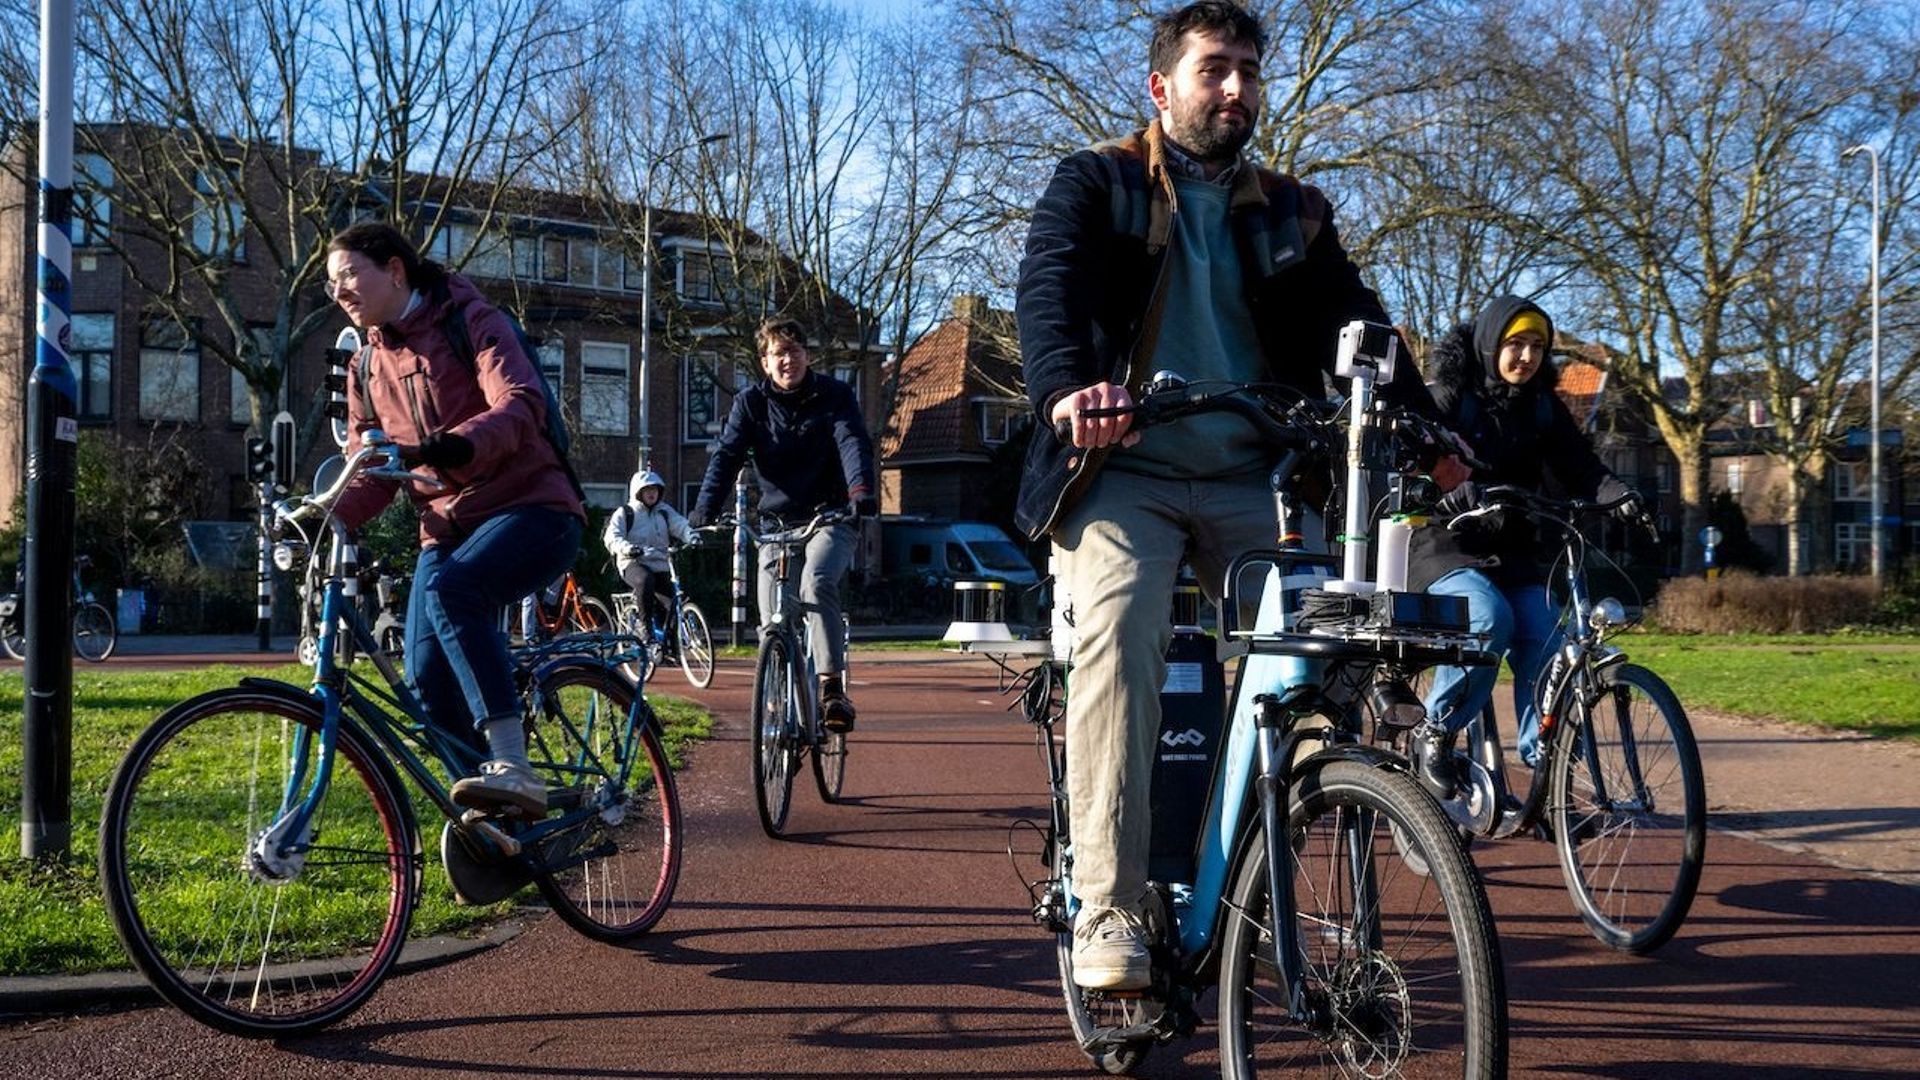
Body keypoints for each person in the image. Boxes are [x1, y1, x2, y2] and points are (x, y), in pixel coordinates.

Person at [1015, 0, 1460, 991]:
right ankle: (1110, 915)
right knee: (1122, 651)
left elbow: (1363, 326)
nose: (1237, 89)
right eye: (1216, 69)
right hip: (1120, 470)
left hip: (1255, 481)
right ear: (1160, 87)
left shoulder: (1292, 211)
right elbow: (1048, 290)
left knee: (1332, 651)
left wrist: (1438, 441)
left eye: (1251, 72)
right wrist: (1063, 391)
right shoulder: (1099, 183)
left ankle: (1258, 875)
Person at [326, 221, 585, 819]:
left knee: (452, 590)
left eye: (348, 276)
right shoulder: (363, 367)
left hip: (531, 506)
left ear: (394, 270)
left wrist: (450, 446)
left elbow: (520, 404)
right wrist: (325, 518)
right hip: (447, 525)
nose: (339, 292)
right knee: (425, 679)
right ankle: (494, 823)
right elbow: (371, 469)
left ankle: (513, 765)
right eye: (330, 285)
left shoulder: (472, 322)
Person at [1408, 294, 1645, 786]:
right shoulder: (1451, 395)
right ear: (1492, 343)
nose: (1527, 356)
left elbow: (1581, 467)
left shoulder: (1541, 407)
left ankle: (1546, 775)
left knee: (1549, 641)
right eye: (1515, 344)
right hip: (1442, 543)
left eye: (1538, 346)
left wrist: (1619, 494)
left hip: (1509, 546)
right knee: (1487, 617)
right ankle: (1435, 730)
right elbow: (1411, 457)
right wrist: (1446, 484)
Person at [691, 317, 876, 731]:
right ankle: (774, 695)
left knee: (817, 582)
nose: (787, 360)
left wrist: (860, 491)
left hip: (831, 515)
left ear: (807, 355)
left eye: (794, 351)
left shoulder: (835, 396)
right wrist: (704, 509)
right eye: (778, 353)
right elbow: (727, 456)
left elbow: (852, 442)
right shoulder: (750, 403)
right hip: (776, 522)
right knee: (771, 614)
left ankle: (831, 690)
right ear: (764, 362)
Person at [605, 469, 696, 656]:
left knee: (674, 603)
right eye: (647, 490)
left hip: (660, 563)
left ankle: (669, 646)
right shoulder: (625, 513)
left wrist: (691, 535)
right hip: (632, 563)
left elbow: (679, 524)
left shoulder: (664, 512)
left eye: (655, 489)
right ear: (638, 492)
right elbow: (612, 537)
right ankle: (644, 630)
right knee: (645, 580)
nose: (652, 493)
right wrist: (627, 548)